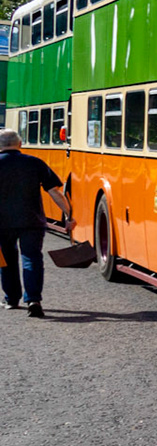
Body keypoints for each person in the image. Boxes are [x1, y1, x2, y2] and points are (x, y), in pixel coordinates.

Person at [0, 128, 72, 318]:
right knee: (31, 258)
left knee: (6, 260)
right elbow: (55, 192)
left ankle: (11, 299)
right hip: (32, 221)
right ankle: (33, 300)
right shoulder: (34, 162)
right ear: (20, 144)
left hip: (2, 223)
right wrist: (69, 215)